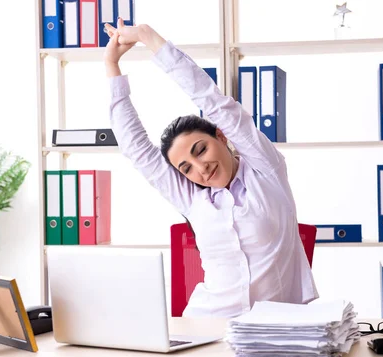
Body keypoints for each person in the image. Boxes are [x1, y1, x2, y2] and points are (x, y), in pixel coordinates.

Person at [104, 19, 318, 319]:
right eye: (186, 167)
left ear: (221, 135)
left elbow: (211, 99)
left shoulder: (266, 170)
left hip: (274, 332)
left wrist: (147, 36)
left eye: (201, 150)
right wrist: (111, 64)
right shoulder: (191, 198)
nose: (200, 168)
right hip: (206, 330)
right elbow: (134, 147)